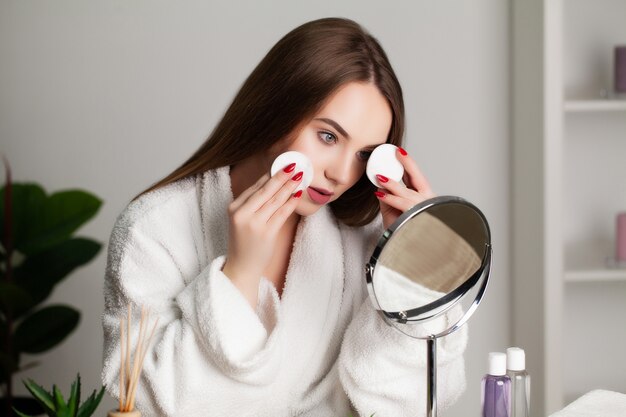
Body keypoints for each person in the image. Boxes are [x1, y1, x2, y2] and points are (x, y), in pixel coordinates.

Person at [102, 17, 467, 417]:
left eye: (365, 154)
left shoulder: (362, 239)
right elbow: (147, 404)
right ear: (277, 109)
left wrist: (413, 270)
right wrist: (239, 276)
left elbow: (412, 403)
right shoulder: (153, 229)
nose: (343, 174)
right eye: (328, 136)